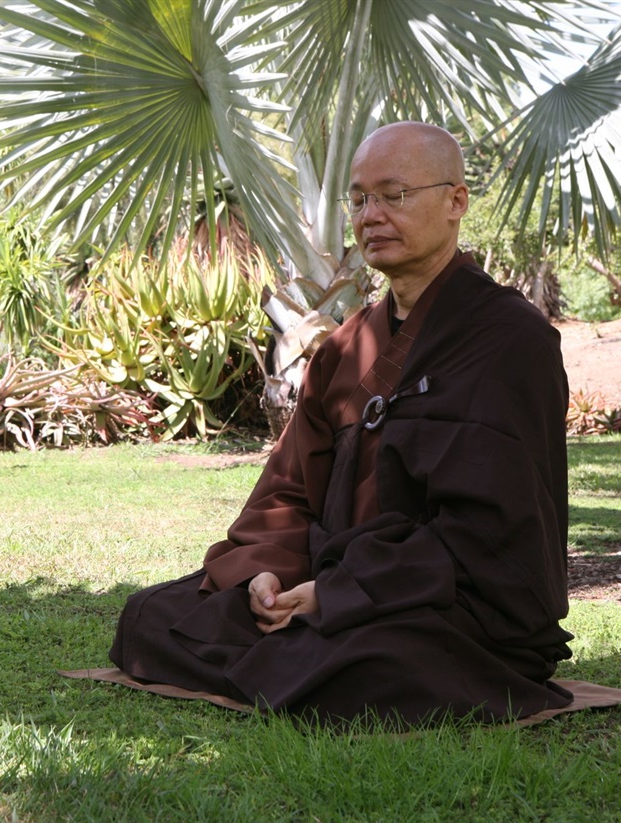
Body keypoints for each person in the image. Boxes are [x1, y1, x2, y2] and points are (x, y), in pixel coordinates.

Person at [108, 121, 575, 727]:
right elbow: (289, 487)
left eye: (395, 195)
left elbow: (491, 531)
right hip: (326, 578)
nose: (371, 215)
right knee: (149, 617)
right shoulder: (346, 347)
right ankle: (293, 655)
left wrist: (340, 595)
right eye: (359, 199)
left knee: (367, 664)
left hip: (448, 603)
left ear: (456, 201)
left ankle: (300, 657)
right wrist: (268, 573)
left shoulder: (509, 340)